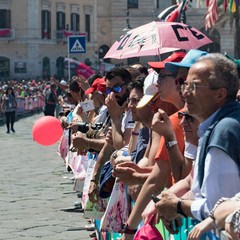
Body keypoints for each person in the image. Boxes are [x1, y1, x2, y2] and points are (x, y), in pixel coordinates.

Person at [152, 53, 240, 238]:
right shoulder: (214, 126)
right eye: (185, 85)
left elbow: (218, 208)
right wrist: (177, 205)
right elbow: (201, 189)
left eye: (194, 86)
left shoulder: (225, 130)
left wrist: (178, 206)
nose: (185, 92)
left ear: (220, 94)